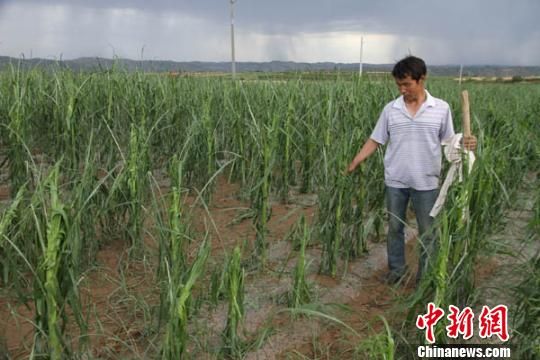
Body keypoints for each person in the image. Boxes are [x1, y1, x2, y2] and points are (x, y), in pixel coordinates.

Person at [347, 55, 477, 284]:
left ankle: (425, 277)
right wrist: (356, 160)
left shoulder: (441, 109)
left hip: (427, 182)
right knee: (395, 228)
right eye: (399, 84)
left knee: (428, 232)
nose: (402, 89)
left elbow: (450, 142)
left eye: (407, 84)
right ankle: (396, 272)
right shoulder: (391, 109)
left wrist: (466, 144)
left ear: (422, 79)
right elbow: (376, 139)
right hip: (396, 180)